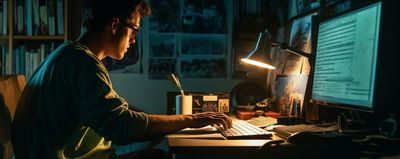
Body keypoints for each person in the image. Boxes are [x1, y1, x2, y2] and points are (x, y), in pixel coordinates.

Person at [11, 0, 232, 159]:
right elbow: (121, 126)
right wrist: (191, 119)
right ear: (115, 25)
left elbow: (113, 117)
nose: (134, 40)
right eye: (134, 30)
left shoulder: (67, 53)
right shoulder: (84, 63)